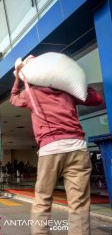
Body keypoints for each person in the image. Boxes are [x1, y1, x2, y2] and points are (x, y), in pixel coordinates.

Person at [10, 59, 103, 235]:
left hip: (49, 151)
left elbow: (13, 98)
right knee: (79, 204)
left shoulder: (31, 93)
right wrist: (79, 78)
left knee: (42, 200)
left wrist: (18, 79)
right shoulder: (68, 90)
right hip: (77, 149)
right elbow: (95, 98)